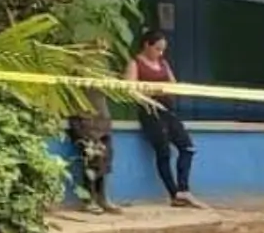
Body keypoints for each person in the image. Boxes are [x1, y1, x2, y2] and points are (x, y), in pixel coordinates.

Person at [125, 30, 202, 208]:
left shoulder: (163, 63)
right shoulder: (135, 63)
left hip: (167, 110)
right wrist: (151, 92)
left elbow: (173, 84)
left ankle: (184, 189)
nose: (160, 53)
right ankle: (174, 193)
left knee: (187, 147)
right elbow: (129, 89)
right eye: (157, 49)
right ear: (147, 45)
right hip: (150, 111)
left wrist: (167, 89)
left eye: (162, 50)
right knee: (164, 151)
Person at [67, 87, 121, 215]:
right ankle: (88, 200)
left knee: (105, 160)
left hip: (102, 122)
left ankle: (103, 198)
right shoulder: (79, 79)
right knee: (91, 160)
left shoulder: (102, 80)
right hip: (84, 119)